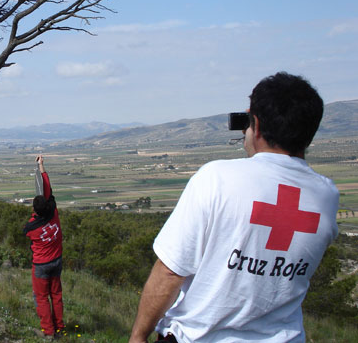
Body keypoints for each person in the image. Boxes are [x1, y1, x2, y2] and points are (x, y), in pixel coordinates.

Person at [129, 72, 339, 343]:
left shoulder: (217, 177)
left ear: (257, 125)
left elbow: (170, 271)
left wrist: (138, 336)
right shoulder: (326, 194)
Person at [24, 154, 65, 338]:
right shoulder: (53, 213)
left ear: (34, 210)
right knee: (56, 295)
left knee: (41, 297)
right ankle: (60, 328)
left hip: (41, 266)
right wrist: (42, 166)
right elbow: (47, 188)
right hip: (57, 261)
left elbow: (26, 231)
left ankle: (48, 333)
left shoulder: (32, 227)